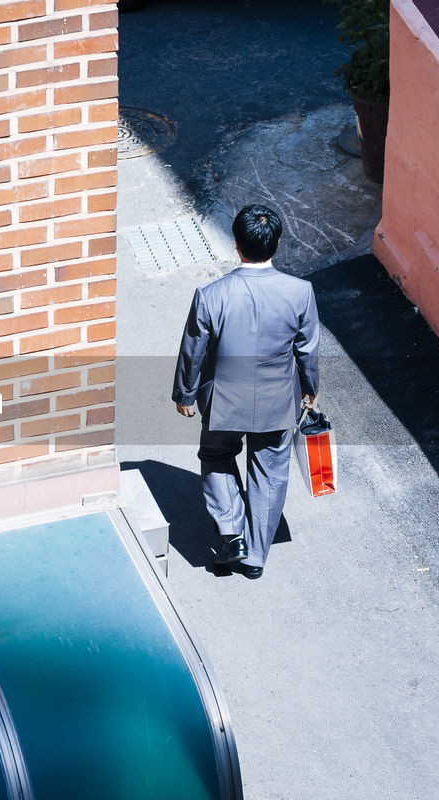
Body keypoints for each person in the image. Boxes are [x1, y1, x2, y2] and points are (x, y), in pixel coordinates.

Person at [171, 205, 320, 579]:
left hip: (223, 401)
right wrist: (309, 389)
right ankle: (255, 558)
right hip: (278, 401)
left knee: (216, 455)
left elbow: (193, 350)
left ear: (236, 244)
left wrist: (185, 395)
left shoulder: (210, 295)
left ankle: (231, 532)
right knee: (270, 473)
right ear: (278, 243)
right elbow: (307, 349)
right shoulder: (300, 292)